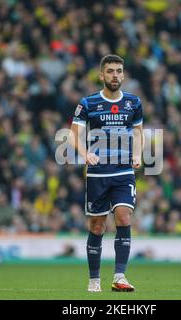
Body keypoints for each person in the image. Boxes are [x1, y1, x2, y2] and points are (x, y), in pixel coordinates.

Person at [69, 55, 143, 292]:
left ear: (123, 75)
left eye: (118, 71)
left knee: (123, 217)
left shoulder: (133, 102)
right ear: (102, 75)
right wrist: (85, 154)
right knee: (97, 226)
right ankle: (94, 280)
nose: (115, 75)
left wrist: (138, 154)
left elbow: (139, 132)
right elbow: (73, 134)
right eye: (110, 71)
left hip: (124, 171)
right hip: (98, 173)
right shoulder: (88, 103)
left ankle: (119, 276)